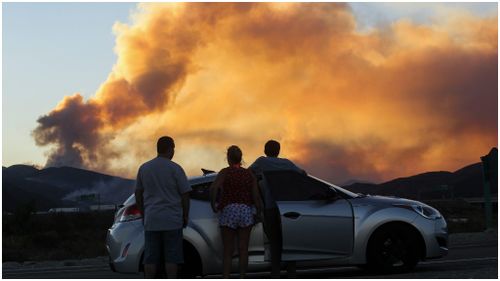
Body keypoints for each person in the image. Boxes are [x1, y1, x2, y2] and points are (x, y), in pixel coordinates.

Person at [135, 136, 192, 279]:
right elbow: (185, 194)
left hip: (152, 219)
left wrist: (143, 213)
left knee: (150, 257)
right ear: (170, 149)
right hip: (172, 220)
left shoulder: (144, 168)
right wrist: (185, 214)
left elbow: (138, 192)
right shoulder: (176, 168)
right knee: (172, 257)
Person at [248, 140, 305, 278]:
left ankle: (276, 272)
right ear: (278, 151)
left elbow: (248, 172)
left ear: (265, 150)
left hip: (270, 207)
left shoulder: (262, 162)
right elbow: (303, 174)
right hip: (287, 207)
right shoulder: (287, 163)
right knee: (290, 239)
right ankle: (291, 271)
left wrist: (257, 180)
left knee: (274, 241)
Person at [210, 145, 262, 278]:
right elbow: (256, 195)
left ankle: (226, 277)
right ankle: (242, 277)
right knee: (243, 249)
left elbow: (214, 188)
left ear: (228, 158)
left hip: (229, 210)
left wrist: (213, 205)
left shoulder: (225, 172)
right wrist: (259, 211)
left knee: (228, 250)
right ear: (241, 158)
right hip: (245, 211)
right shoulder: (249, 174)